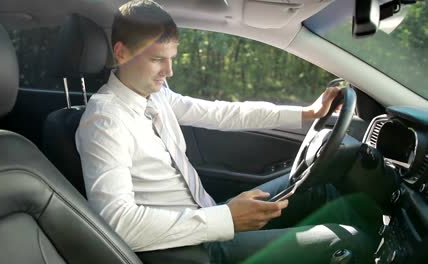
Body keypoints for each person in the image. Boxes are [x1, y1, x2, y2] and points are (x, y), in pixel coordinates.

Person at [76, 0, 375, 263]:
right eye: (157, 59)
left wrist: (305, 114)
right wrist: (227, 218)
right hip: (188, 249)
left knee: (317, 186)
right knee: (347, 240)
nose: (169, 71)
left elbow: (223, 113)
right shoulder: (105, 121)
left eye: (171, 58)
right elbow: (117, 224)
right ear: (122, 53)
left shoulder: (155, 95)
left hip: (208, 217)